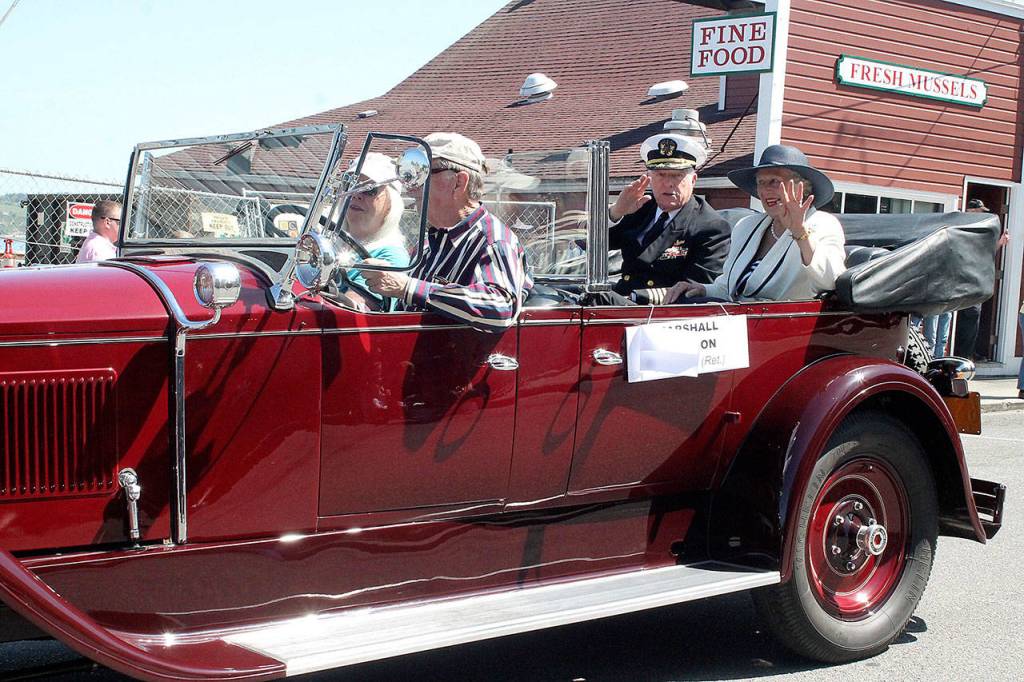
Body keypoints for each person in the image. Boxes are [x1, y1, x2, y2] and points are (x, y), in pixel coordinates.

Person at [358, 132, 533, 332]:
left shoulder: (494, 241)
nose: (410, 188)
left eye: (420, 174)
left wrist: (407, 287)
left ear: (459, 183)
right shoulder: (426, 246)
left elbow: (501, 307)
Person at [668, 144, 846, 303]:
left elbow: (831, 280)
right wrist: (701, 289)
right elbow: (728, 289)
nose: (766, 189)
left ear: (801, 187)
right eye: (761, 182)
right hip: (738, 324)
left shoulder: (823, 224)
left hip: (788, 328)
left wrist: (800, 232)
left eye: (775, 181)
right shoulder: (747, 226)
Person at [591, 132, 730, 305]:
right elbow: (590, 246)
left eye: (677, 175)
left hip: (660, 313)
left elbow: (693, 290)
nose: (668, 183)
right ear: (649, 178)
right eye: (661, 175)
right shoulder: (641, 207)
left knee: (597, 298)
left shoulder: (711, 227)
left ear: (693, 180)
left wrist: (631, 297)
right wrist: (616, 212)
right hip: (619, 301)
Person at [333, 152, 409, 311]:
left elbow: (354, 311)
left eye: (369, 189)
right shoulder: (327, 241)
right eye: (351, 185)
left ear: (390, 204)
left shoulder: (391, 255)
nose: (355, 194)